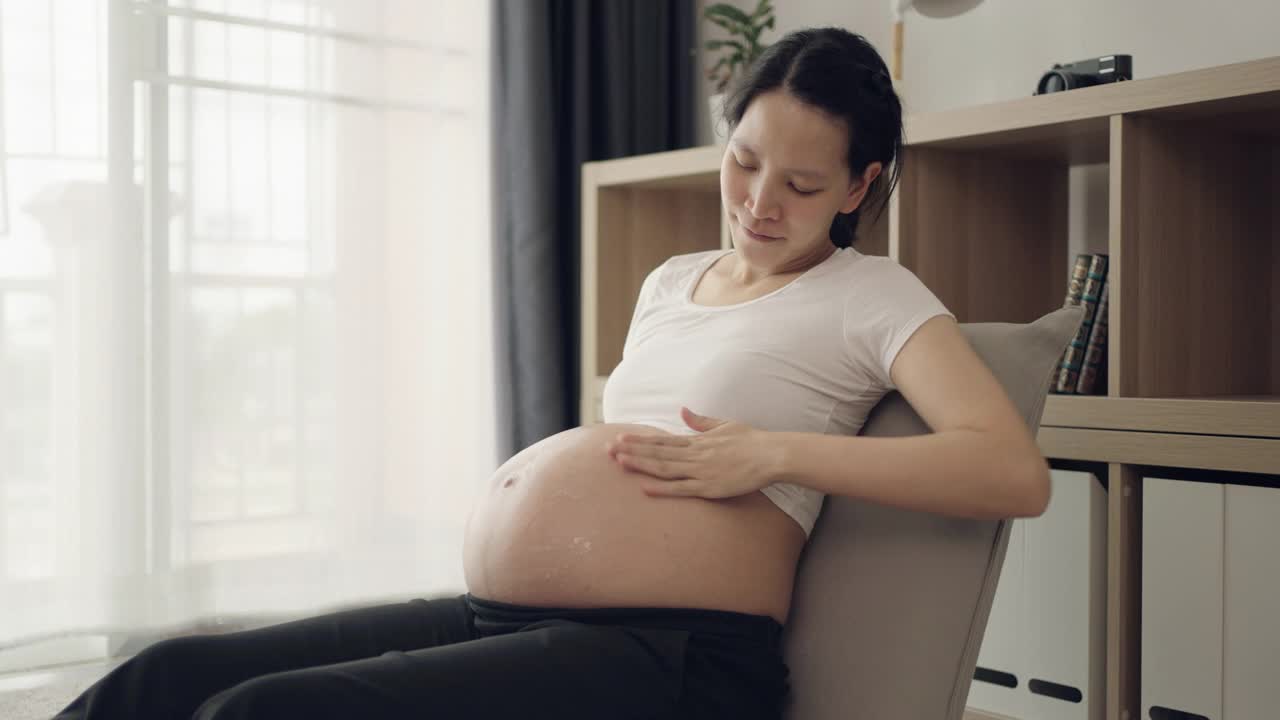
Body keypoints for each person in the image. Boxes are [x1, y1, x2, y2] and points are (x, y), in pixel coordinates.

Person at [55, 26, 1048, 720]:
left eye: (798, 185)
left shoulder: (871, 294)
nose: (756, 202)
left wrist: (776, 455)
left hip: (674, 661)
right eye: (743, 162)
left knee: (260, 714)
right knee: (164, 678)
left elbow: (1006, 472)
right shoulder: (670, 280)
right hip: (515, 617)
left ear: (858, 186)